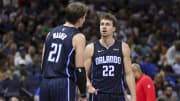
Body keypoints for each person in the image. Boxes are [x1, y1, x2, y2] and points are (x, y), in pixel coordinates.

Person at [40, 2, 88, 101]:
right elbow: (79, 69)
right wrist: (83, 93)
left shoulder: (50, 33)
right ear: (80, 19)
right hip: (63, 82)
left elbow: (42, 63)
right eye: (84, 17)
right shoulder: (78, 37)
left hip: (45, 82)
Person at [84, 12, 136, 101]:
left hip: (117, 94)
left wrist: (134, 96)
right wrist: (88, 85)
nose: (104, 27)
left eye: (107, 24)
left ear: (114, 28)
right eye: (102, 24)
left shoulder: (123, 47)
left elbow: (129, 74)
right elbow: (83, 72)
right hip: (98, 93)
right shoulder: (90, 48)